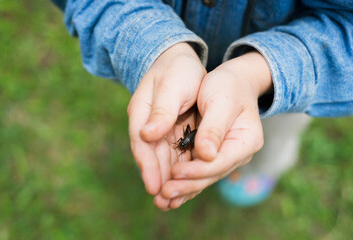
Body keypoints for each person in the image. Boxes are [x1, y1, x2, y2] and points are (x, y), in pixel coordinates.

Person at [51, 0, 353, 211]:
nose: (182, 140)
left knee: (271, 137)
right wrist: (157, 47)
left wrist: (258, 74)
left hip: (279, 94)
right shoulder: (181, 130)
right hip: (168, 74)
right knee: (159, 110)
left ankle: (259, 170)